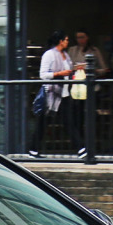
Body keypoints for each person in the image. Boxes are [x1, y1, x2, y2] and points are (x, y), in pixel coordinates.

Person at [28, 30, 84, 159]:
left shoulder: (65, 55)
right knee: (43, 123)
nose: (68, 42)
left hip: (64, 94)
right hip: (51, 95)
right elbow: (43, 75)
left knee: (68, 122)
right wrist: (59, 74)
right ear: (60, 41)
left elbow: (68, 71)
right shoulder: (49, 55)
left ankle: (81, 149)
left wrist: (75, 71)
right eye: (66, 40)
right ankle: (33, 150)